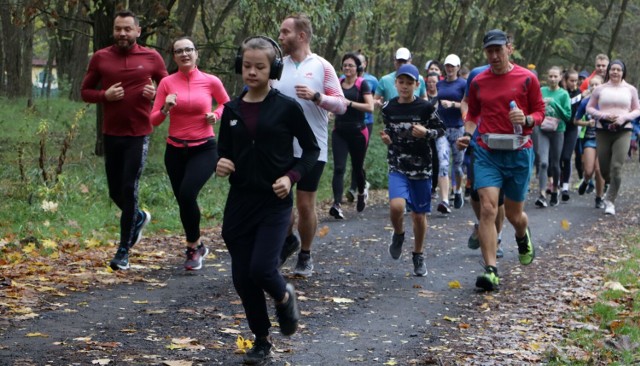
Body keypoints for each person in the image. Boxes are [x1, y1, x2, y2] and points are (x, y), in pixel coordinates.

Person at [216, 36, 319, 364]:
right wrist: (221, 163)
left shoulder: (287, 108)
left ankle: (284, 295)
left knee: (262, 269)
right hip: (240, 203)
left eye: (260, 66)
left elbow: (311, 150)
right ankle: (262, 340)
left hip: (275, 202)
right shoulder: (231, 109)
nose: (252, 72)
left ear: (273, 69)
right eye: (247, 66)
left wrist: (291, 177)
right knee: (243, 278)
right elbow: (223, 152)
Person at [457, 29, 545, 291]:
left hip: (519, 153)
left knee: (515, 215)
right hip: (487, 151)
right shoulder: (478, 81)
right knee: (487, 208)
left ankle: (521, 233)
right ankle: (491, 270)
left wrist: (527, 119)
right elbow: (472, 113)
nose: (494, 56)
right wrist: (467, 134)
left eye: (498, 50)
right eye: (489, 51)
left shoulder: (528, 79)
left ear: (509, 49)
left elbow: (540, 111)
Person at [81, 10, 168, 271]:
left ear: (138, 31)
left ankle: (123, 250)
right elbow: (85, 92)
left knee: (129, 189)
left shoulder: (152, 57)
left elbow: (169, 88)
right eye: (118, 29)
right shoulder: (101, 57)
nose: (122, 33)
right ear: (113, 30)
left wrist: (156, 94)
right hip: (111, 133)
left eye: (127, 29)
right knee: (115, 191)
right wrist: (104, 95)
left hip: (138, 133)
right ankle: (139, 217)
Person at [274, 13, 347, 277]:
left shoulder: (322, 66)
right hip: (280, 148)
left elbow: (341, 104)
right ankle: (285, 243)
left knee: (305, 205)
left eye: (285, 32)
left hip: (312, 148)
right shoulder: (276, 66)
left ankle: (305, 253)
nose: (280, 37)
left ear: (301, 36)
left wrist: (318, 97)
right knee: (279, 202)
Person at [150, 37, 230, 270]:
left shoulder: (210, 81)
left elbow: (228, 104)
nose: (184, 54)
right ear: (173, 57)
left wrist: (216, 115)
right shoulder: (166, 83)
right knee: (184, 201)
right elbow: (154, 120)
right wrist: (166, 107)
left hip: (204, 148)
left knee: (186, 194)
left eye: (189, 50)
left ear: (196, 54)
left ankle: (192, 248)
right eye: (179, 51)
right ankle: (198, 245)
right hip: (174, 150)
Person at [381, 64, 444, 276]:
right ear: (395, 83)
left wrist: (426, 132)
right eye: (401, 82)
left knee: (419, 215)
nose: (405, 87)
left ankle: (418, 254)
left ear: (417, 85)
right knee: (397, 207)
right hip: (397, 164)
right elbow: (389, 131)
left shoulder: (425, 108)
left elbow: (441, 130)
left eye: (410, 83)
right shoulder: (388, 108)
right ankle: (399, 234)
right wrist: (387, 138)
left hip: (422, 167)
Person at [459, 64, 505, 259]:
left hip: (502, 143)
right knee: (476, 193)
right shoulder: (477, 74)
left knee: (497, 196)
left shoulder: (516, 76)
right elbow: (466, 101)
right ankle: (483, 226)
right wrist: (467, 118)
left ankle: (498, 237)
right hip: (477, 140)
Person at [586, 59, 640, 215]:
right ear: (608, 71)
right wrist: (603, 115)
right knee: (603, 168)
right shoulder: (600, 89)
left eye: (619, 70)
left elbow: (637, 110)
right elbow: (589, 108)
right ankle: (610, 184)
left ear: (623, 72)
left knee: (616, 166)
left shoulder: (630, 90)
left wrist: (624, 118)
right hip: (603, 130)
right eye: (613, 69)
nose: (615, 72)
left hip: (624, 130)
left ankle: (610, 201)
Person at [329, 53, 374, 219]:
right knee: (339, 168)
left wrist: (350, 103)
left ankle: (361, 192)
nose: (347, 68)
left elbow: (370, 107)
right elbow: (332, 101)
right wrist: (329, 111)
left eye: (351, 65)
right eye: (345, 65)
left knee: (357, 168)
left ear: (358, 68)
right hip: (339, 131)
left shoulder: (362, 84)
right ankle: (337, 204)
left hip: (358, 132)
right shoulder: (338, 83)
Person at [534, 66, 571, 208]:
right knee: (543, 162)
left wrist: (554, 103)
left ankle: (555, 190)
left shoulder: (563, 94)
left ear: (560, 78)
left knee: (556, 164)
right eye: (550, 76)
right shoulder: (542, 91)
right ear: (547, 77)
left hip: (558, 131)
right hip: (543, 130)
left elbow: (567, 116)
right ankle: (542, 194)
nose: (553, 79)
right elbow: (535, 108)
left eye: (556, 76)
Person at [435, 54, 467, 212]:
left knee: (458, 166)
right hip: (442, 129)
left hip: (458, 128)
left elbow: (468, 105)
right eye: (447, 65)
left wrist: (453, 104)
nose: (449, 68)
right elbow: (436, 102)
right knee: (443, 163)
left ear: (458, 68)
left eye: (452, 66)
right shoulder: (440, 84)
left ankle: (458, 190)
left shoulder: (463, 84)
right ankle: (445, 201)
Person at [346, 52, 378, 203]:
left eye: (360, 61)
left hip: (366, 122)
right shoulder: (344, 79)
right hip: (347, 122)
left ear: (364, 64)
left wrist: (375, 102)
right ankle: (358, 186)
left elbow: (377, 98)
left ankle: (355, 187)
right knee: (351, 159)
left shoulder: (371, 80)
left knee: (359, 158)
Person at [574, 75, 606, 208]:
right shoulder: (585, 102)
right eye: (591, 85)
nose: (594, 87)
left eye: (596, 84)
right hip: (590, 139)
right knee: (588, 170)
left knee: (599, 170)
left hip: (604, 139)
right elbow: (575, 121)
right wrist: (587, 123)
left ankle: (599, 198)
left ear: (602, 86)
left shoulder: (607, 102)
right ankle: (586, 181)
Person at [559, 69, 582, 202]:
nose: (574, 83)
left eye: (576, 80)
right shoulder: (561, 93)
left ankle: (565, 187)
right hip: (558, 128)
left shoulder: (579, 94)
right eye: (571, 81)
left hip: (572, 129)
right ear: (565, 81)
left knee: (566, 157)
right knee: (557, 158)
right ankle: (556, 183)